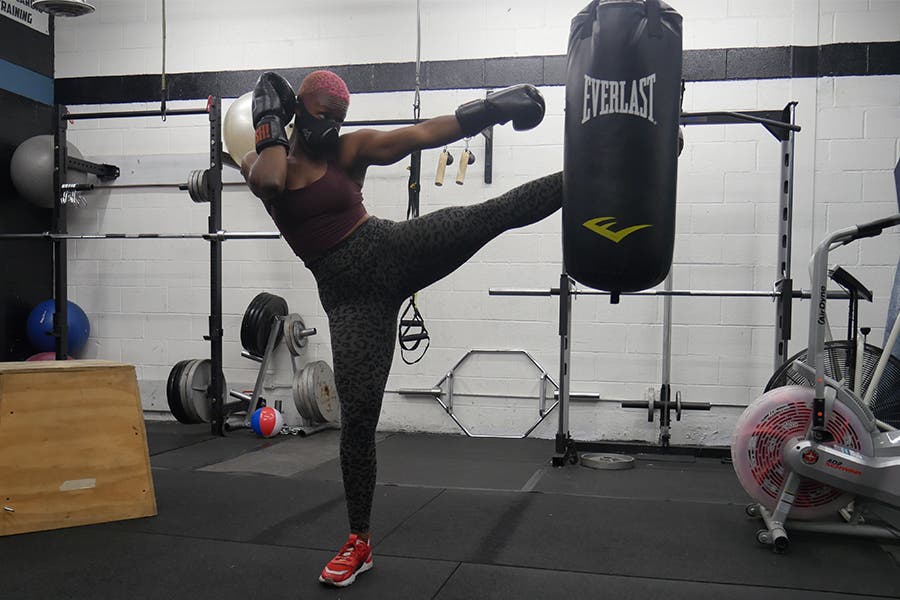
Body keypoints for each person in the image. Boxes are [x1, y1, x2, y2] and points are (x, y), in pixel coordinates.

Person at [240, 70, 563, 588]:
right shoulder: (261, 161)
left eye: (340, 118)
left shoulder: (349, 151)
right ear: (296, 110)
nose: (333, 126)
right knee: (360, 423)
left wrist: (492, 109)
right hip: (350, 304)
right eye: (323, 114)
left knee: (491, 214)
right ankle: (359, 542)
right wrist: (269, 121)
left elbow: (423, 135)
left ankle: (596, 173)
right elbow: (272, 180)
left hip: (391, 250)